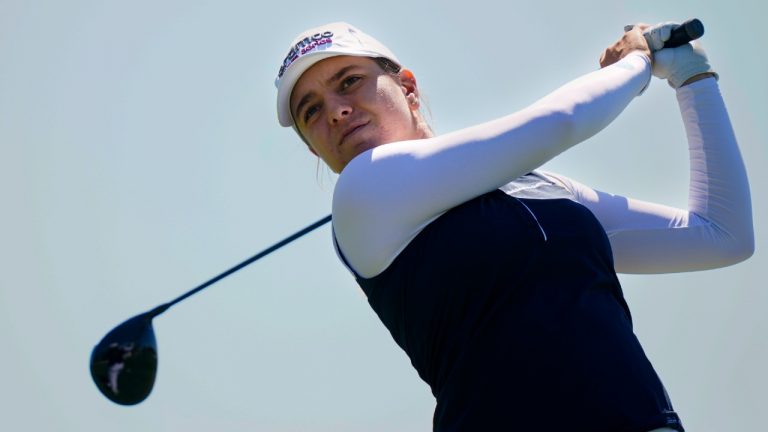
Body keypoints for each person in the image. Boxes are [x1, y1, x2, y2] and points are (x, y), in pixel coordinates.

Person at [274, 21, 753, 431]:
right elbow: (563, 120)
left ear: (409, 87)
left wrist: (694, 79)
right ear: (314, 149)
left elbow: (721, 236)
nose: (335, 110)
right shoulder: (364, 189)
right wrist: (639, 61)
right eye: (311, 110)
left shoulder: (539, 189)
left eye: (349, 81)